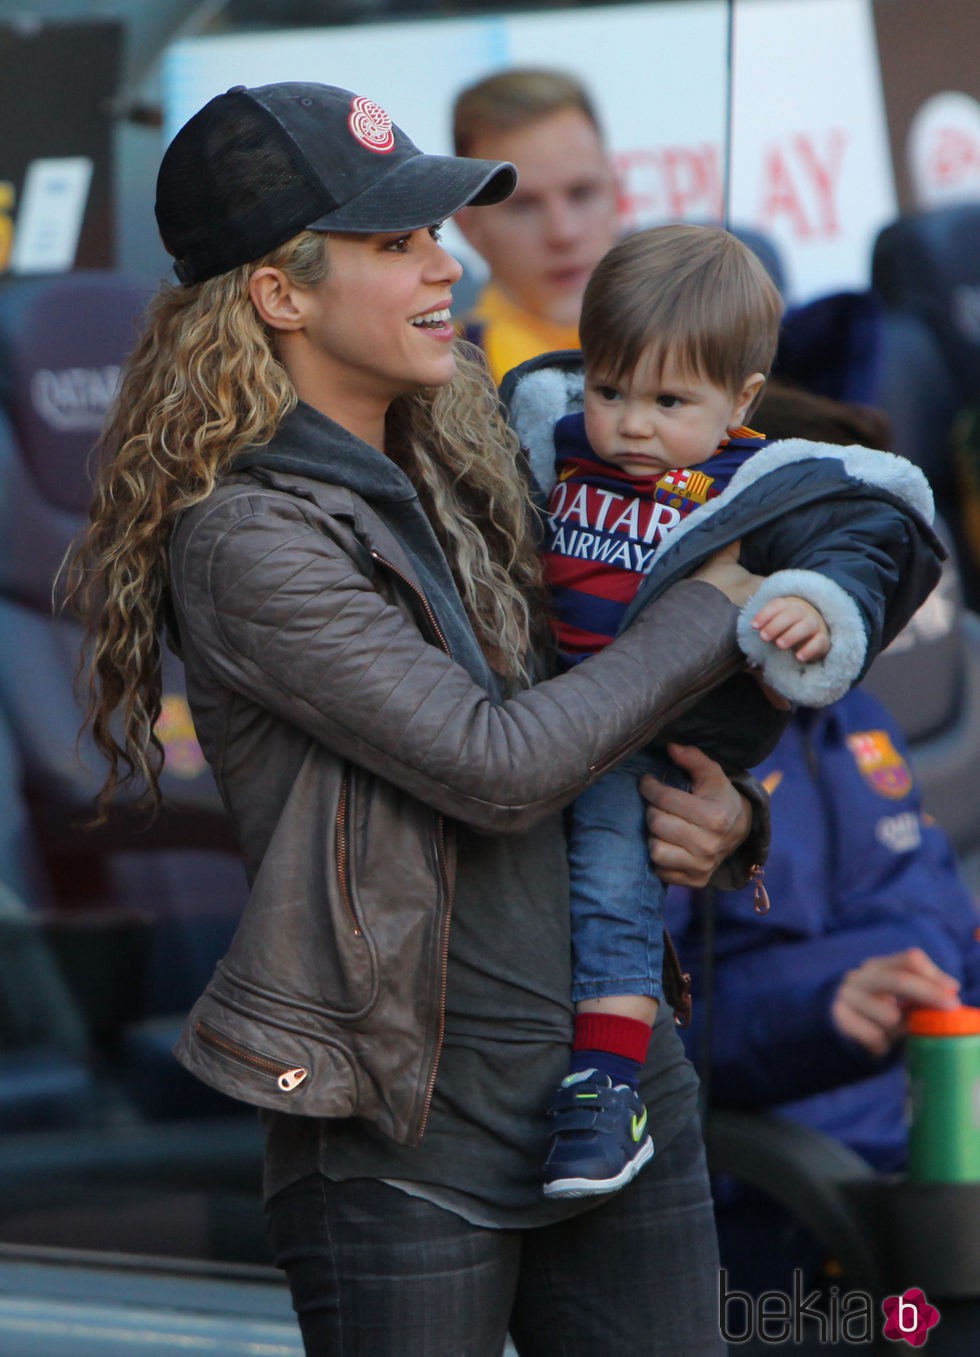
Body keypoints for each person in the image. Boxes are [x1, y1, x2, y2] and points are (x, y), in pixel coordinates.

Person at [66, 80, 784, 1357]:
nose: (443, 267)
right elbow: (498, 768)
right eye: (393, 243)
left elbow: (601, 696)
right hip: (401, 1130)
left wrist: (724, 817)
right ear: (280, 294)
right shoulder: (246, 538)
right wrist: (713, 605)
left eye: (433, 235)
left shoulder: (480, 449)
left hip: (610, 1088)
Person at [504, 224, 945, 1200]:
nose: (629, 427)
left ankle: (608, 1088)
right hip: (749, 1142)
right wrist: (820, 1011)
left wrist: (811, 616)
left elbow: (928, 908)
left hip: (877, 1133)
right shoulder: (552, 461)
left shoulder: (842, 715)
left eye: (668, 404)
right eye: (609, 391)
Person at [451, 67, 619, 383]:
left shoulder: (709, 342)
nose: (563, 233)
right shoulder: (439, 387)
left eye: (581, 193)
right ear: (468, 224)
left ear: (617, 193)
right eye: (523, 206)